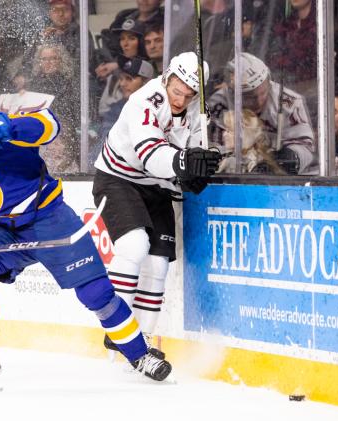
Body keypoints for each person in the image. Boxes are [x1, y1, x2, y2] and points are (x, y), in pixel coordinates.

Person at [0, 96, 173, 387]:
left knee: (95, 294)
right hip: (5, 230)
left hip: (49, 218)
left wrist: (10, 127)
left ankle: (141, 356)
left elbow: (51, 124)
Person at [92, 52, 221, 355]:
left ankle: (142, 343)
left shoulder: (196, 113)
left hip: (156, 186)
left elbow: (188, 158)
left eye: (189, 95)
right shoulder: (145, 101)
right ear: (167, 77)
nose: (180, 100)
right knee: (134, 246)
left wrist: (196, 170)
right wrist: (183, 162)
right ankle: (117, 328)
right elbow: (152, 155)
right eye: (177, 91)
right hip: (118, 179)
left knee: (158, 264)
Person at [208, 52, 316, 175]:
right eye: (250, 97)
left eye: (263, 92)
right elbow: (211, 146)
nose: (259, 101)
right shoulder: (219, 104)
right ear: (235, 93)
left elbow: (306, 147)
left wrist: (287, 158)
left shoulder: (289, 103)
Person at [216, 109, 285, 174]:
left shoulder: (259, 167)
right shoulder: (227, 156)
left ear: (244, 135)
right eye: (225, 130)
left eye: (229, 131)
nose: (224, 134)